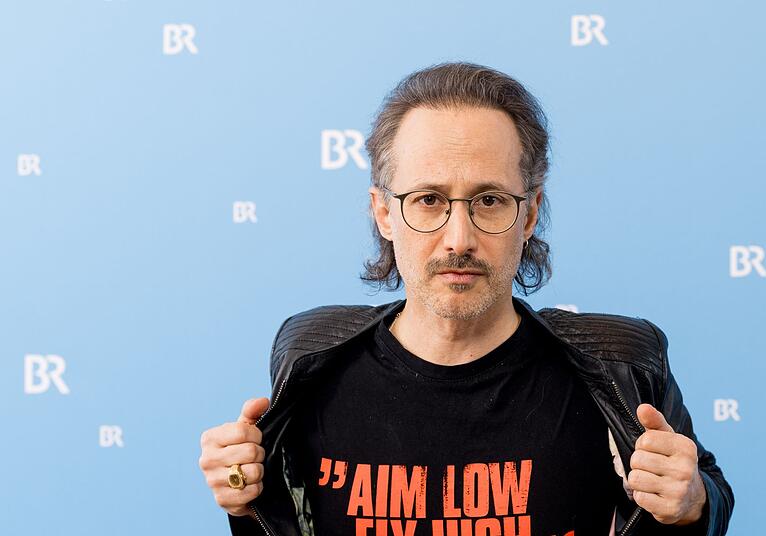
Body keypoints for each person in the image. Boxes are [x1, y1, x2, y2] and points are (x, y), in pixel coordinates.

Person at [198, 61, 733, 536]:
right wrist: (246, 499)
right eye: (429, 199)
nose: (459, 239)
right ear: (383, 213)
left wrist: (691, 502)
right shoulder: (310, 358)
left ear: (529, 213)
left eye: (490, 200)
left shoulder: (621, 365)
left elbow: (706, 495)